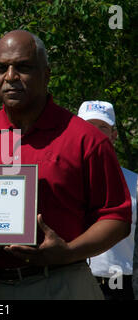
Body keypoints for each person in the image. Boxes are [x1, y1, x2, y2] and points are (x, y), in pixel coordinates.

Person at [0, 30, 132, 300]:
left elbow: (117, 219)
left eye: (23, 67)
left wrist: (69, 251)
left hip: (62, 283)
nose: (11, 77)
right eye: (1, 68)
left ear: (46, 75)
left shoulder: (86, 139)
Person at [77, 101, 138, 300]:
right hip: (72, 281)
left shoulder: (135, 183)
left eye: (102, 127)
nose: (94, 134)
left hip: (119, 284)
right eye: (88, 126)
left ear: (114, 135)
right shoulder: (63, 179)